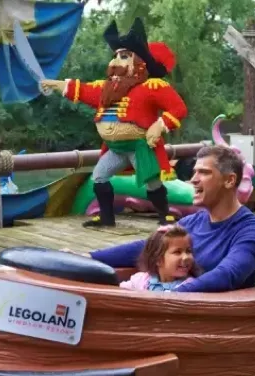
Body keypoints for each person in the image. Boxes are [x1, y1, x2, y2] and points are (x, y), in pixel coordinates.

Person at [40, 17, 188, 228]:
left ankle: (165, 215)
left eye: (124, 56)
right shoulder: (106, 88)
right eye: (116, 56)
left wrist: (159, 125)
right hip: (115, 148)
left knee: (152, 182)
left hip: (139, 147)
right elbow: (83, 90)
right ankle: (107, 218)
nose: (116, 62)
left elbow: (178, 109)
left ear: (139, 63)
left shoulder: (153, 86)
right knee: (99, 177)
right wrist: (56, 84)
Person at [87, 145, 255, 293]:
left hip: (218, 322)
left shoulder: (251, 231)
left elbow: (227, 274)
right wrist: (90, 258)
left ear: (230, 180)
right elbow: (147, 247)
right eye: (194, 172)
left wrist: (172, 295)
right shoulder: (192, 222)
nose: (193, 179)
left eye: (204, 173)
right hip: (175, 310)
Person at [120, 224, 200, 291]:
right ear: (158, 259)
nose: (186, 257)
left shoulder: (190, 286)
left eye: (188, 251)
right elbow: (121, 292)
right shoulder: (141, 280)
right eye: (177, 252)